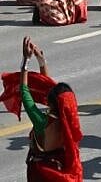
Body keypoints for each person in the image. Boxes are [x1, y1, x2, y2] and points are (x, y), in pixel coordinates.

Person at [18, 37, 83, 182]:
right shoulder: (70, 124)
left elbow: (24, 92)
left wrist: (25, 61)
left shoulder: (43, 123)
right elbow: (50, 90)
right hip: (60, 170)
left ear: (51, 103)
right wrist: (41, 61)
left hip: (42, 174)